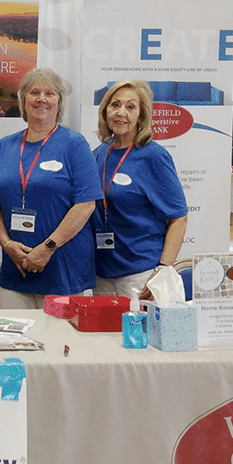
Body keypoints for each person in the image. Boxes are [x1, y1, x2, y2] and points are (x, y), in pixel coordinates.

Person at [0, 68, 102, 308]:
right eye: (34, 92)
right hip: (16, 268)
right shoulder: (5, 146)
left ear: (59, 103)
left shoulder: (74, 144)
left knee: (62, 343)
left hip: (63, 270)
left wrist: (47, 248)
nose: (41, 99)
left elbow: (86, 205)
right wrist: (6, 244)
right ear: (22, 101)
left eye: (50, 93)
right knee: (11, 341)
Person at [89, 80, 189, 300]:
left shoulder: (154, 156)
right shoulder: (97, 155)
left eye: (131, 107)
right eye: (115, 105)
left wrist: (163, 269)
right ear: (105, 111)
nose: (121, 112)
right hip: (100, 275)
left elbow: (178, 219)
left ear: (141, 116)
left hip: (141, 275)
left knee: (140, 334)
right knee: (101, 336)